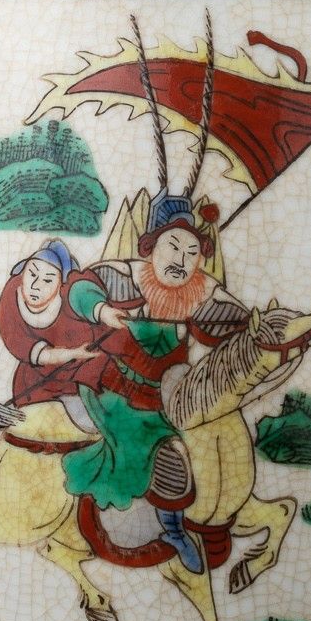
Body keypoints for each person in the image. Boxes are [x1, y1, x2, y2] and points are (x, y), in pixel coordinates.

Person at [60, 191, 250, 574]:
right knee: (154, 450)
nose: (181, 260)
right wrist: (102, 309)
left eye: (192, 252)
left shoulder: (205, 295)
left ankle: (178, 528)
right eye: (173, 246)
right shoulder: (126, 277)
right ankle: (164, 529)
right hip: (113, 392)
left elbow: (241, 325)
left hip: (162, 400)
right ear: (151, 247)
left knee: (187, 452)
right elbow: (79, 288)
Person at [0, 239, 107, 407]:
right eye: (32, 274)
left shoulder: (72, 296)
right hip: (36, 378)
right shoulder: (12, 293)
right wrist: (66, 354)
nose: (35, 286)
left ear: (60, 285)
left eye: (47, 280)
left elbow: (95, 311)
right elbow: (16, 339)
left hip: (80, 375)